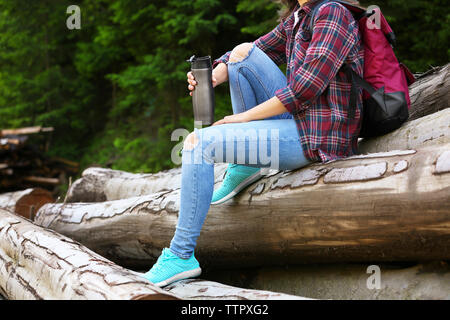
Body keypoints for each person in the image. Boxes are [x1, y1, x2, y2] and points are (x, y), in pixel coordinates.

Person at [143, 0, 364, 287]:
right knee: (241, 53)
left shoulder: (333, 12)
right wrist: (214, 74)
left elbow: (303, 90)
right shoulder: (300, 16)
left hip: (319, 136)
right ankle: (247, 165)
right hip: (299, 124)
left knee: (198, 143)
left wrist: (242, 118)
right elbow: (255, 49)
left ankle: (181, 255)